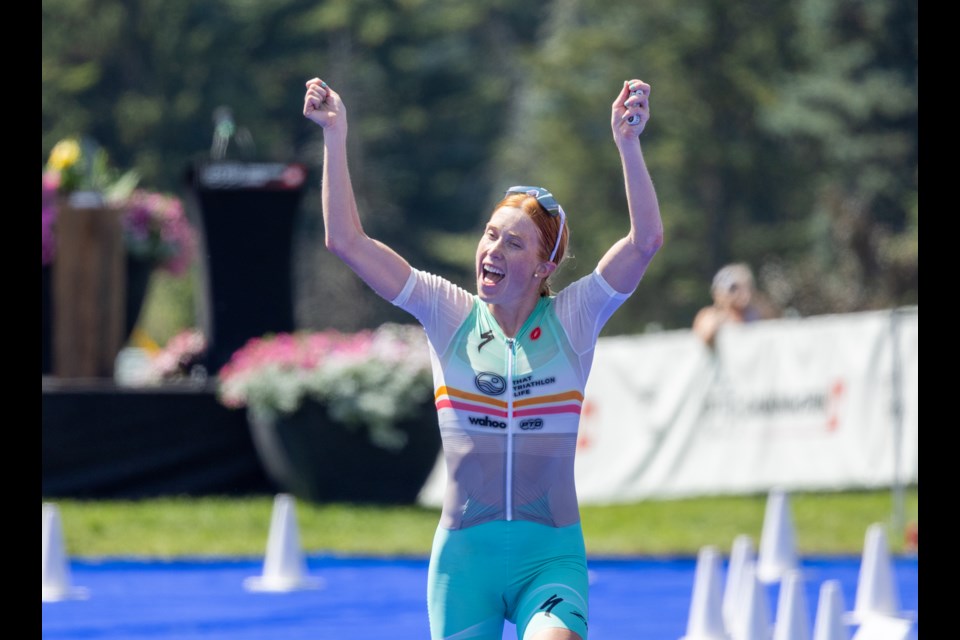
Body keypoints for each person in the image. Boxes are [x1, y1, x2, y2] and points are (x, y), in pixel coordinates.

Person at [303, 75, 663, 640]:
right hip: (464, 564)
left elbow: (644, 242)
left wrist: (628, 144)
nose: (492, 250)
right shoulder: (448, 312)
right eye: (490, 235)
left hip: (550, 558)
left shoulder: (574, 318)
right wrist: (334, 133)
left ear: (545, 268)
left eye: (513, 243)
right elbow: (346, 241)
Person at [692, 262, 772, 348]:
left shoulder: (756, 312)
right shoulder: (712, 315)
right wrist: (723, 312)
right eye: (734, 289)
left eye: (746, 287)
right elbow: (705, 335)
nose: (741, 293)